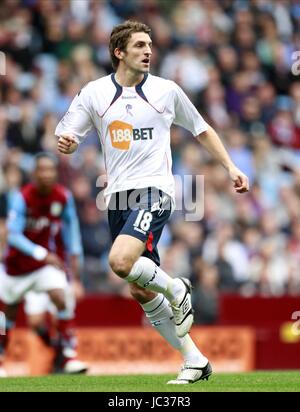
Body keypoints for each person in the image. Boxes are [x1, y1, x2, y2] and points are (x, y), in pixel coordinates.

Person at [56, 20, 249, 384]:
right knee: (139, 285)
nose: (148, 51)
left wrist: (231, 166)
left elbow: (201, 128)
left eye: (150, 45)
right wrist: (65, 142)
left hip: (155, 190)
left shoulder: (166, 91)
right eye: (140, 45)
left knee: (119, 260)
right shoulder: (95, 93)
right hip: (116, 197)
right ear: (119, 52)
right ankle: (194, 359)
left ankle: (178, 288)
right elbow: (68, 133)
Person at [0, 153, 87, 377]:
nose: (47, 174)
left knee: (61, 295)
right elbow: (13, 236)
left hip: (43, 267)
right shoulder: (22, 198)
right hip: (15, 268)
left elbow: (72, 235)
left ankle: (68, 357)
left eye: (51, 170)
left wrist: (75, 275)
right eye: (43, 170)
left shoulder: (62, 197)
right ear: (34, 174)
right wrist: (42, 254)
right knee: (6, 316)